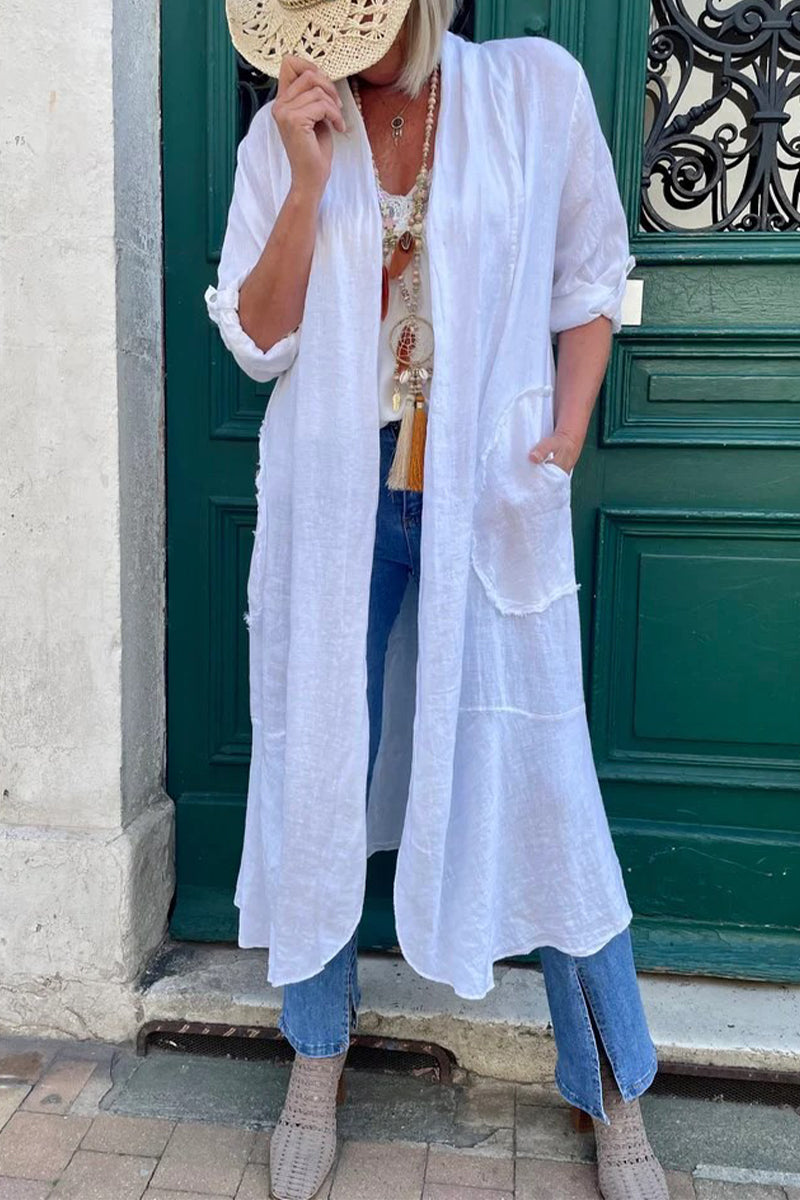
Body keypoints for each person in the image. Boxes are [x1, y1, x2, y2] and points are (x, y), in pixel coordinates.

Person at [206, 1, 669, 1197]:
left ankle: (612, 1087)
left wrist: (564, 436)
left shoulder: (530, 89)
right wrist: (307, 178)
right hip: (337, 493)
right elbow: (256, 339)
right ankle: (315, 1056)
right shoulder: (282, 136)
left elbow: (588, 278)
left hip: (485, 487)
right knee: (317, 761)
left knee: (542, 769)